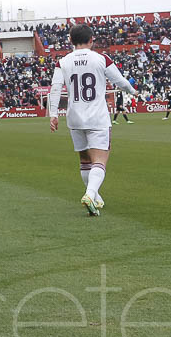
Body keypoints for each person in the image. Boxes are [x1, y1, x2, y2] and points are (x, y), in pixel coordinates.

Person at [48, 24, 138, 216]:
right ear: (91, 40)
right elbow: (120, 82)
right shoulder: (101, 59)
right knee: (100, 159)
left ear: (71, 41)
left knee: (85, 160)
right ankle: (90, 194)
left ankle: (96, 198)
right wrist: (132, 91)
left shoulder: (62, 62)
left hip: (75, 117)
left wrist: (53, 115)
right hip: (97, 116)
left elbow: (55, 90)